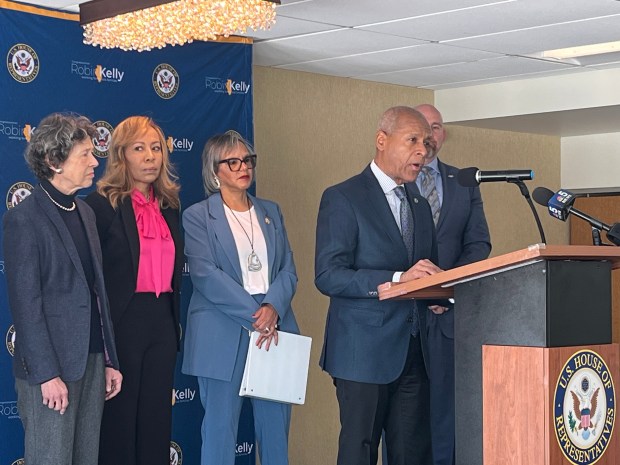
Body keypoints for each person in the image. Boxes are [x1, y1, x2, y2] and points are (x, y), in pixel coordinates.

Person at [315, 106, 443, 465]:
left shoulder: (419, 203)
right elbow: (328, 274)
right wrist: (397, 280)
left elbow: (427, 269)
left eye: (427, 142)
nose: (423, 150)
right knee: (360, 452)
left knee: (412, 455)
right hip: (362, 355)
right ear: (381, 140)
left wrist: (438, 294)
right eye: (413, 140)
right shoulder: (343, 197)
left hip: (413, 353)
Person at [2, 113, 122, 465]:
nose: (95, 161)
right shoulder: (23, 219)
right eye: (85, 154)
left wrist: (110, 360)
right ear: (55, 161)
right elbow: (25, 304)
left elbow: (97, 295)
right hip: (50, 372)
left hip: (92, 362)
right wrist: (46, 374)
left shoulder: (85, 212)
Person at [182, 130, 299, 465]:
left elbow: (288, 270)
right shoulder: (198, 216)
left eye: (247, 160)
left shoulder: (271, 211)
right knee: (220, 428)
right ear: (214, 170)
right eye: (232, 162)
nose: (243, 167)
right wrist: (256, 314)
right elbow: (205, 275)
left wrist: (272, 308)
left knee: (275, 427)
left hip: (273, 328)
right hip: (223, 329)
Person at [85, 116, 184, 465]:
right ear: (121, 155)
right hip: (122, 323)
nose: (150, 157)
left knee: (157, 420)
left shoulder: (171, 206)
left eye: (156, 148)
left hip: (162, 322)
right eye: (139, 148)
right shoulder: (101, 206)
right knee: (120, 421)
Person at [413, 103, 491, 465]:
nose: (430, 135)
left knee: (448, 416)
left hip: (450, 320)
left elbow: (478, 245)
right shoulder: (394, 180)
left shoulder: (463, 182)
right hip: (405, 317)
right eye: (423, 127)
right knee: (405, 421)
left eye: (437, 127)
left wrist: (448, 288)